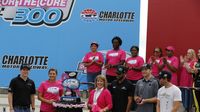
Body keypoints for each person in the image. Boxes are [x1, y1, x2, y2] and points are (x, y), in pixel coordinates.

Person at [125, 45, 144, 110]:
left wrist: (133, 68)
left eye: (135, 50)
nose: (133, 51)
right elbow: (126, 68)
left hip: (137, 79)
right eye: (132, 50)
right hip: (128, 79)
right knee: (129, 95)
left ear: (137, 51)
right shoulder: (128, 59)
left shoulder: (140, 59)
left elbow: (141, 68)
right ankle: (130, 108)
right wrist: (126, 68)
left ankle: (137, 108)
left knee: (137, 94)